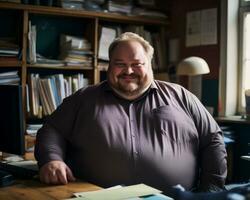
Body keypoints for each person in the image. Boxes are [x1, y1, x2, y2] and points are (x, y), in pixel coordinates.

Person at [35, 32, 228, 197]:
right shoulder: (83, 99)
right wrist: (52, 159)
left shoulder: (182, 97)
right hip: (98, 198)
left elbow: (213, 140)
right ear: (109, 66)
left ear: (150, 64)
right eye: (120, 63)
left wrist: (210, 192)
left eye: (137, 64)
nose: (128, 70)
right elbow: (52, 130)